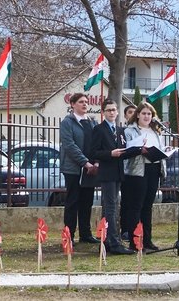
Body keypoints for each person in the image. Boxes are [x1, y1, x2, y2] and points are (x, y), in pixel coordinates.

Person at [90, 98, 133, 254]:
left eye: (114, 110)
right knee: (110, 208)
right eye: (108, 110)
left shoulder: (120, 130)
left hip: (119, 172)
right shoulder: (99, 129)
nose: (112, 113)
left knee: (115, 206)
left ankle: (110, 240)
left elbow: (125, 150)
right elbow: (93, 152)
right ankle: (114, 242)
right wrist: (110, 153)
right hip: (107, 173)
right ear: (103, 112)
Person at [121, 100, 165, 252]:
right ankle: (134, 242)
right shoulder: (129, 130)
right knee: (136, 207)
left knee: (148, 206)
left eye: (149, 114)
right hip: (137, 171)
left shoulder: (156, 131)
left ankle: (147, 240)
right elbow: (127, 150)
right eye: (144, 113)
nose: (147, 116)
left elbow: (160, 149)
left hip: (154, 168)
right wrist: (140, 149)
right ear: (138, 114)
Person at [59, 92, 98, 245]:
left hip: (90, 169)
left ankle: (86, 234)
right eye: (81, 102)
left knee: (87, 201)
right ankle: (69, 235)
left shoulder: (92, 122)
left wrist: (96, 162)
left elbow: (96, 143)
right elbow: (69, 145)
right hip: (73, 168)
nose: (84, 104)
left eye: (86, 102)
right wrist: (85, 162)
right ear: (73, 104)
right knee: (72, 201)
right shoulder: (67, 122)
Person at [119, 103, 136, 241]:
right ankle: (124, 229)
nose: (133, 114)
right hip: (125, 169)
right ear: (125, 115)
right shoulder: (123, 131)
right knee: (125, 201)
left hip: (138, 170)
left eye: (135, 112)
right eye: (130, 112)